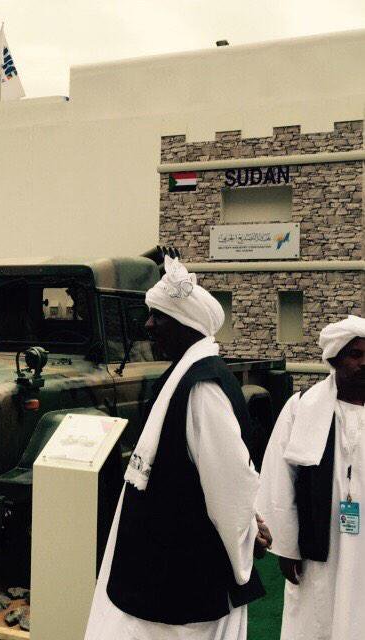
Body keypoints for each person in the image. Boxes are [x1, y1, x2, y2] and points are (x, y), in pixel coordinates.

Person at [85, 256, 271, 640]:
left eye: (159, 317)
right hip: (160, 565)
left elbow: (230, 483)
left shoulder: (203, 388)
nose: (148, 325)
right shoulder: (182, 376)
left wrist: (248, 533)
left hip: (184, 576)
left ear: (187, 324)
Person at [256, 315, 365, 640]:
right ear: (335, 359)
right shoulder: (302, 407)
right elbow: (279, 479)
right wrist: (287, 546)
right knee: (316, 614)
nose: (363, 362)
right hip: (318, 545)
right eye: (355, 354)